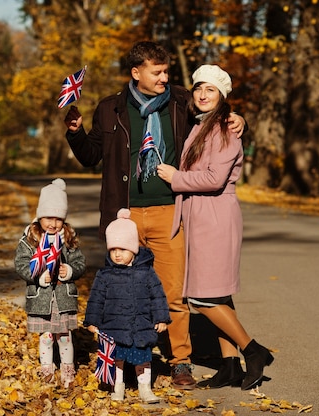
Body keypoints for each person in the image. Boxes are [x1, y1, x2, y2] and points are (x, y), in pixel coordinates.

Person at [64, 40, 246, 389]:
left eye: (166, 71)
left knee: (173, 293)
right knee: (126, 290)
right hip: (125, 216)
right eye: (157, 71)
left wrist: (240, 119)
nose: (164, 77)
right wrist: (75, 134)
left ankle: (180, 362)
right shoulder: (110, 108)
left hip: (169, 211)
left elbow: (216, 114)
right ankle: (126, 358)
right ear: (137, 73)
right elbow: (90, 156)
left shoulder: (180, 101)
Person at [157, 64, 274, 391]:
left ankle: (253, 351)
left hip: (214, 216)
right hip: (200, 214)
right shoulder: (202, 125)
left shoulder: (223, 129)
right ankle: (230, 367)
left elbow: (214, 178)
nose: (203, 94)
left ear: (222, 95)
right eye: (198, 89)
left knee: (202, 297)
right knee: (217, 292)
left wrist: (174, 178)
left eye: (210, 89)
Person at [84, 208, 171, 403]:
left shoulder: (147, 273)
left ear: (133, 249)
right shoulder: (105, 275)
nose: (117, 254)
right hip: (114, 326)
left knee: (143, 359)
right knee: (118, 360)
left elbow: (158, 295)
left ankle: (145, 388)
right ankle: (118, 387)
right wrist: (92, 321)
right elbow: (96, 299)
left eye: (122, 250)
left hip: (140, 325)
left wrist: (161, 317)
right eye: (113, 250)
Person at [14, 178, 86, 388]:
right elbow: (20, 264)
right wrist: (36, 275)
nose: (53, 224)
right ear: (40, 216)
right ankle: (47, 369)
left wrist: (70, 270)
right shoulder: (31, 239)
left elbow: (80, 262)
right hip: (42, 299)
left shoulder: (68, 237)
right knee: (46, 337)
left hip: (63, 298)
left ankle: (67, 369)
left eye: (58, 219)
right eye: (48, 218)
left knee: (65, 337)